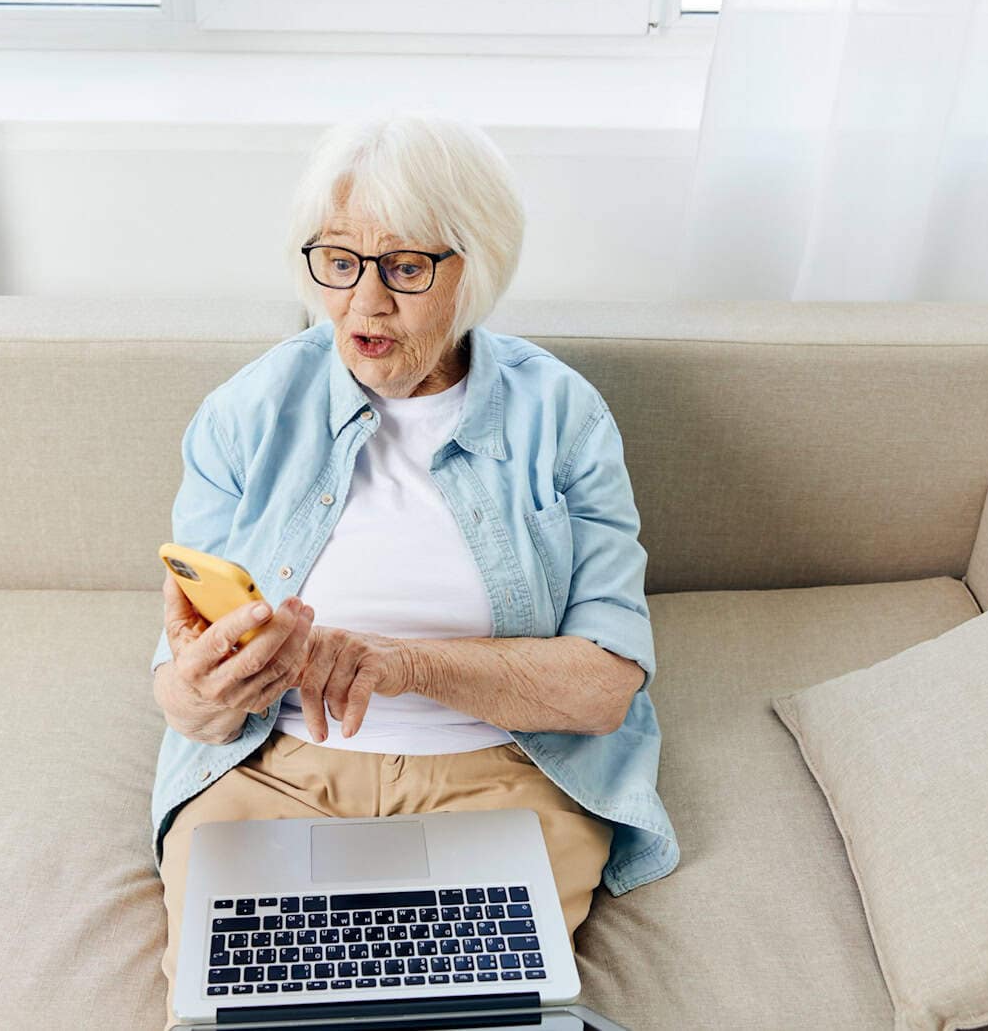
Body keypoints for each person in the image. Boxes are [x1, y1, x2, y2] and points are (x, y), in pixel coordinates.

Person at [147, 113, 678, 1019]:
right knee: (247, 1011)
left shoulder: (565, 417)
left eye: (405, 267)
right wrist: (206, 686)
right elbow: (186, 706)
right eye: (339, 261)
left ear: (475, 268)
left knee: (470, 1011)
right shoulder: (245, 415)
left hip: (504, 779)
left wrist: (401, 665)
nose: (364, 301)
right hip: (274, 773)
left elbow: (603, 691)